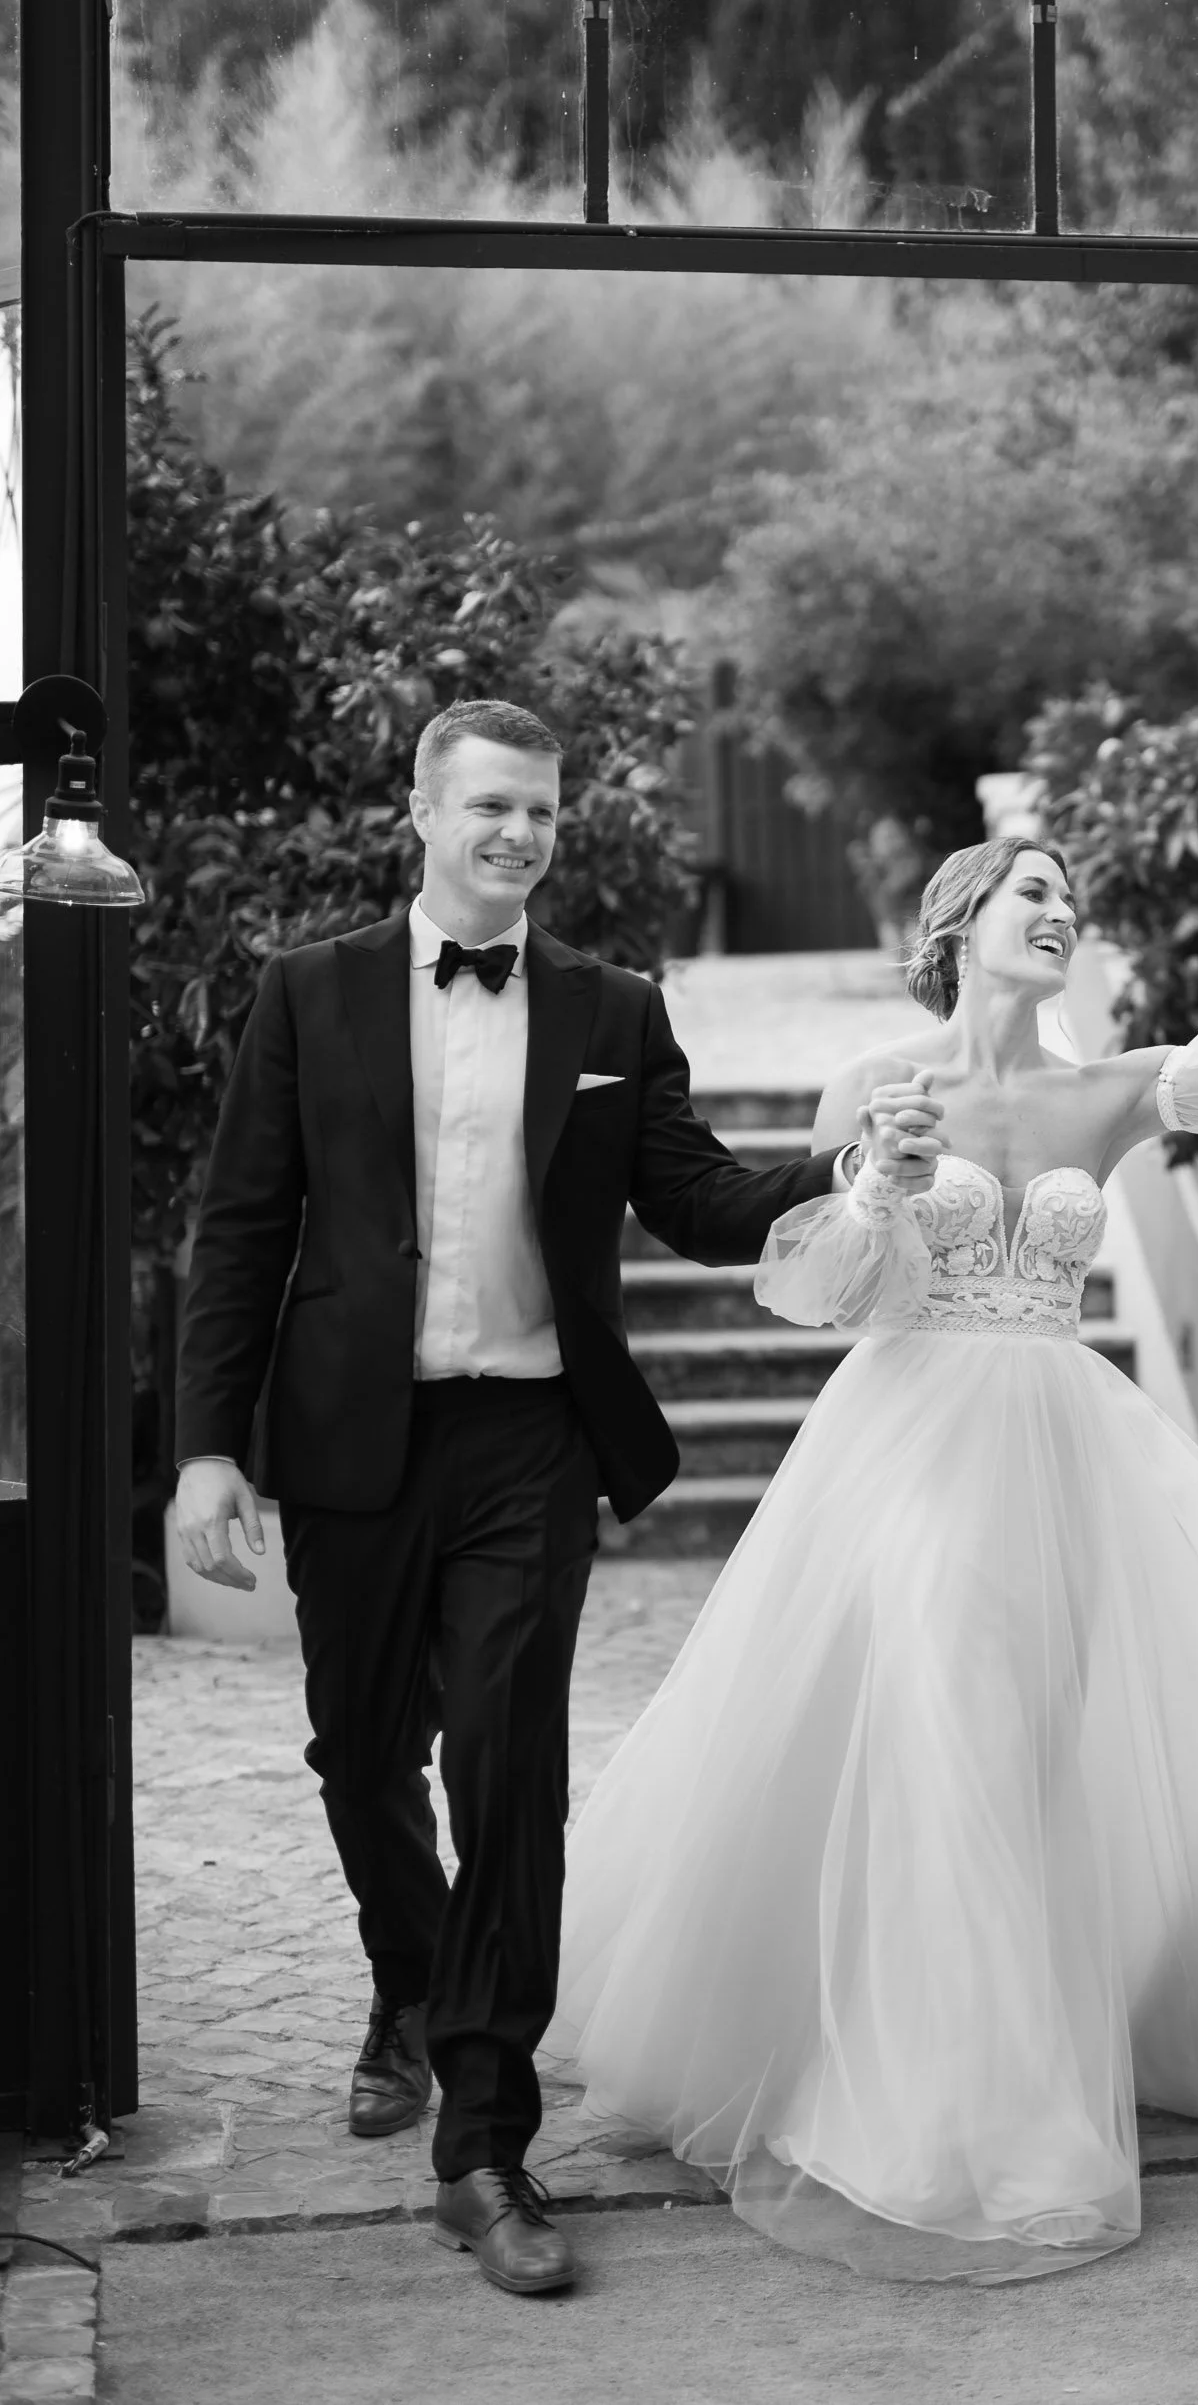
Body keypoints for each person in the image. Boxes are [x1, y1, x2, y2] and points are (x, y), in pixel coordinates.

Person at [550, 832, 1198, 2284]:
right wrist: (878, 1184)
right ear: (957, 921)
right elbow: (822, 1291)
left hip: (1063, 1461)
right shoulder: (875, 1084)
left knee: (1024, 1755)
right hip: (911, 1453)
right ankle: (960, 2118)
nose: (1061, 914)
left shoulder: (1111, 1089)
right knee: (942, 1738)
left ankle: (1005, 2055)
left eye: (1070, 900)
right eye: (1034, 891)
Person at [171, 698, 885, 2297]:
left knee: (507, 1769)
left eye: (544, 812)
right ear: (424, 813)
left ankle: (483, 2146)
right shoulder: (310, 992)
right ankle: (414, 1977)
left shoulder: (612, 1007)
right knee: (362, 1752)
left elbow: (694, 1197)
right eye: (492, 805)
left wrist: (840, 1171)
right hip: (355, 1437)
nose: (521, 833)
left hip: (531, 1442)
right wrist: (210, 1444)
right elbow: (244, 1224)